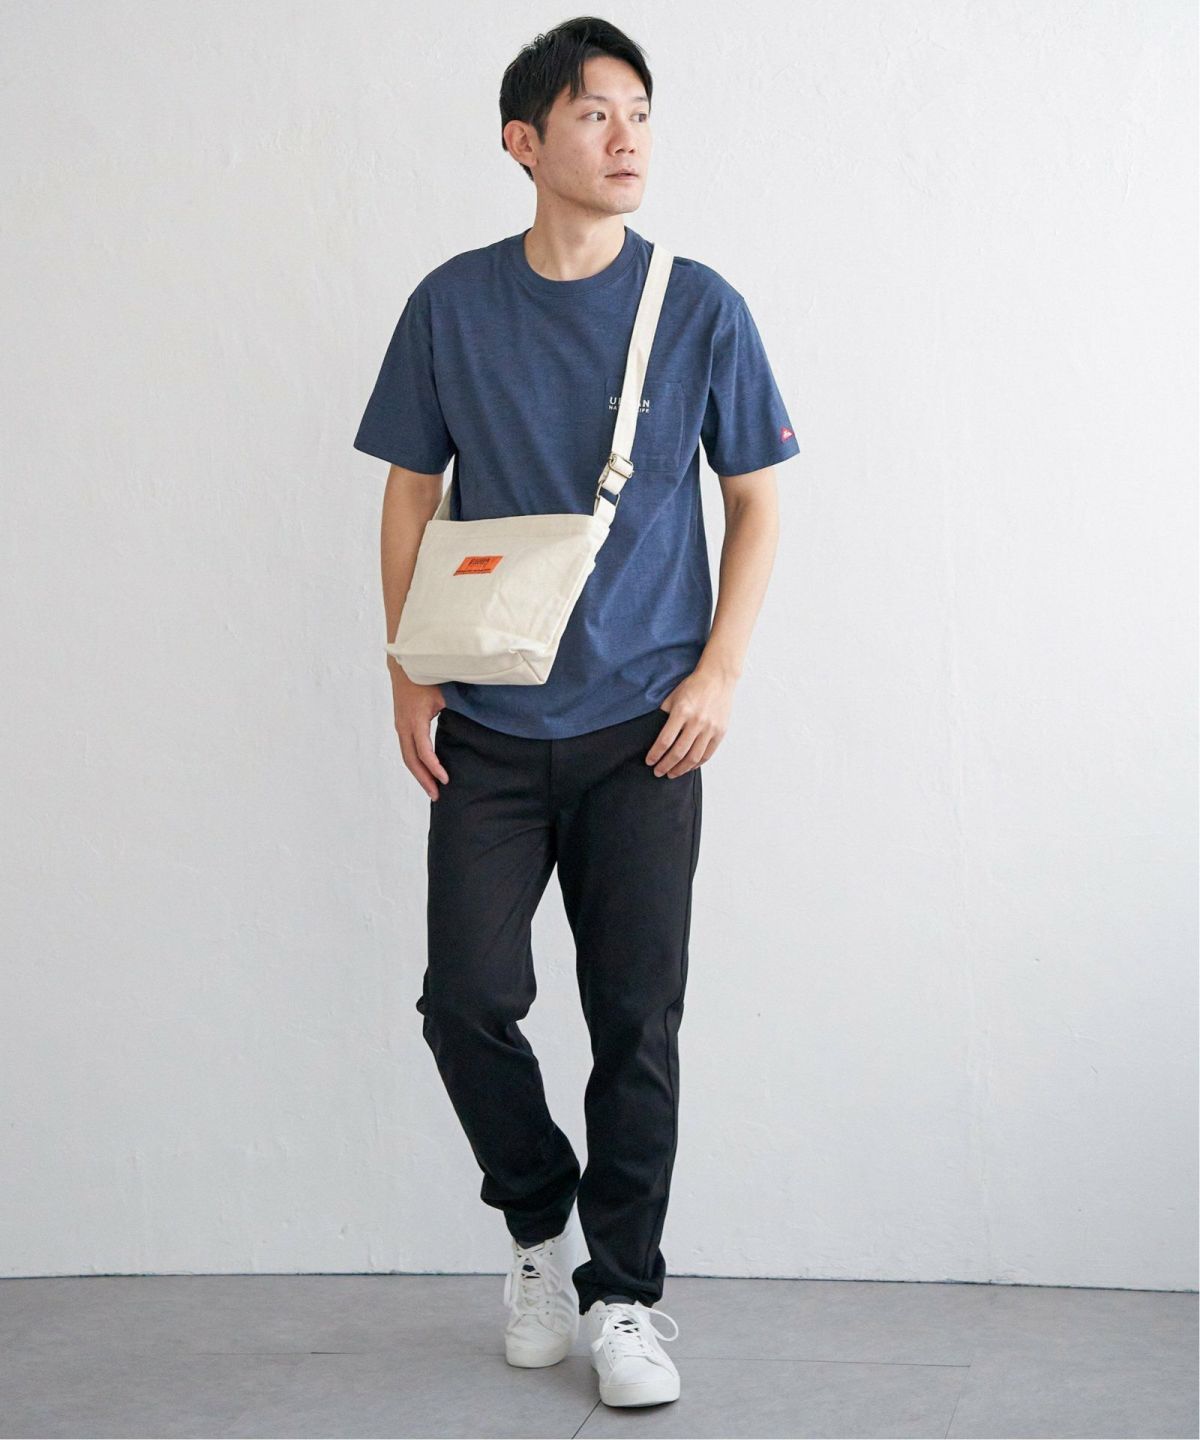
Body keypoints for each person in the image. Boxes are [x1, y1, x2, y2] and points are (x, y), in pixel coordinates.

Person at [353, 16, 800, 1410]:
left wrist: (720, 671)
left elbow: (756, 499)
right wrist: (406, 665)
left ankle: (623, 1297)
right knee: (467, 1001)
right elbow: (410, 489)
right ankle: (540, 1230)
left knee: (636, 1022)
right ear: (524, 141)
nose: (627, 139)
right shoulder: (452, 304)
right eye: (598, 114)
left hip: (646, 730)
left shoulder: (701, 305)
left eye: (642, 115)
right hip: (489, 726)